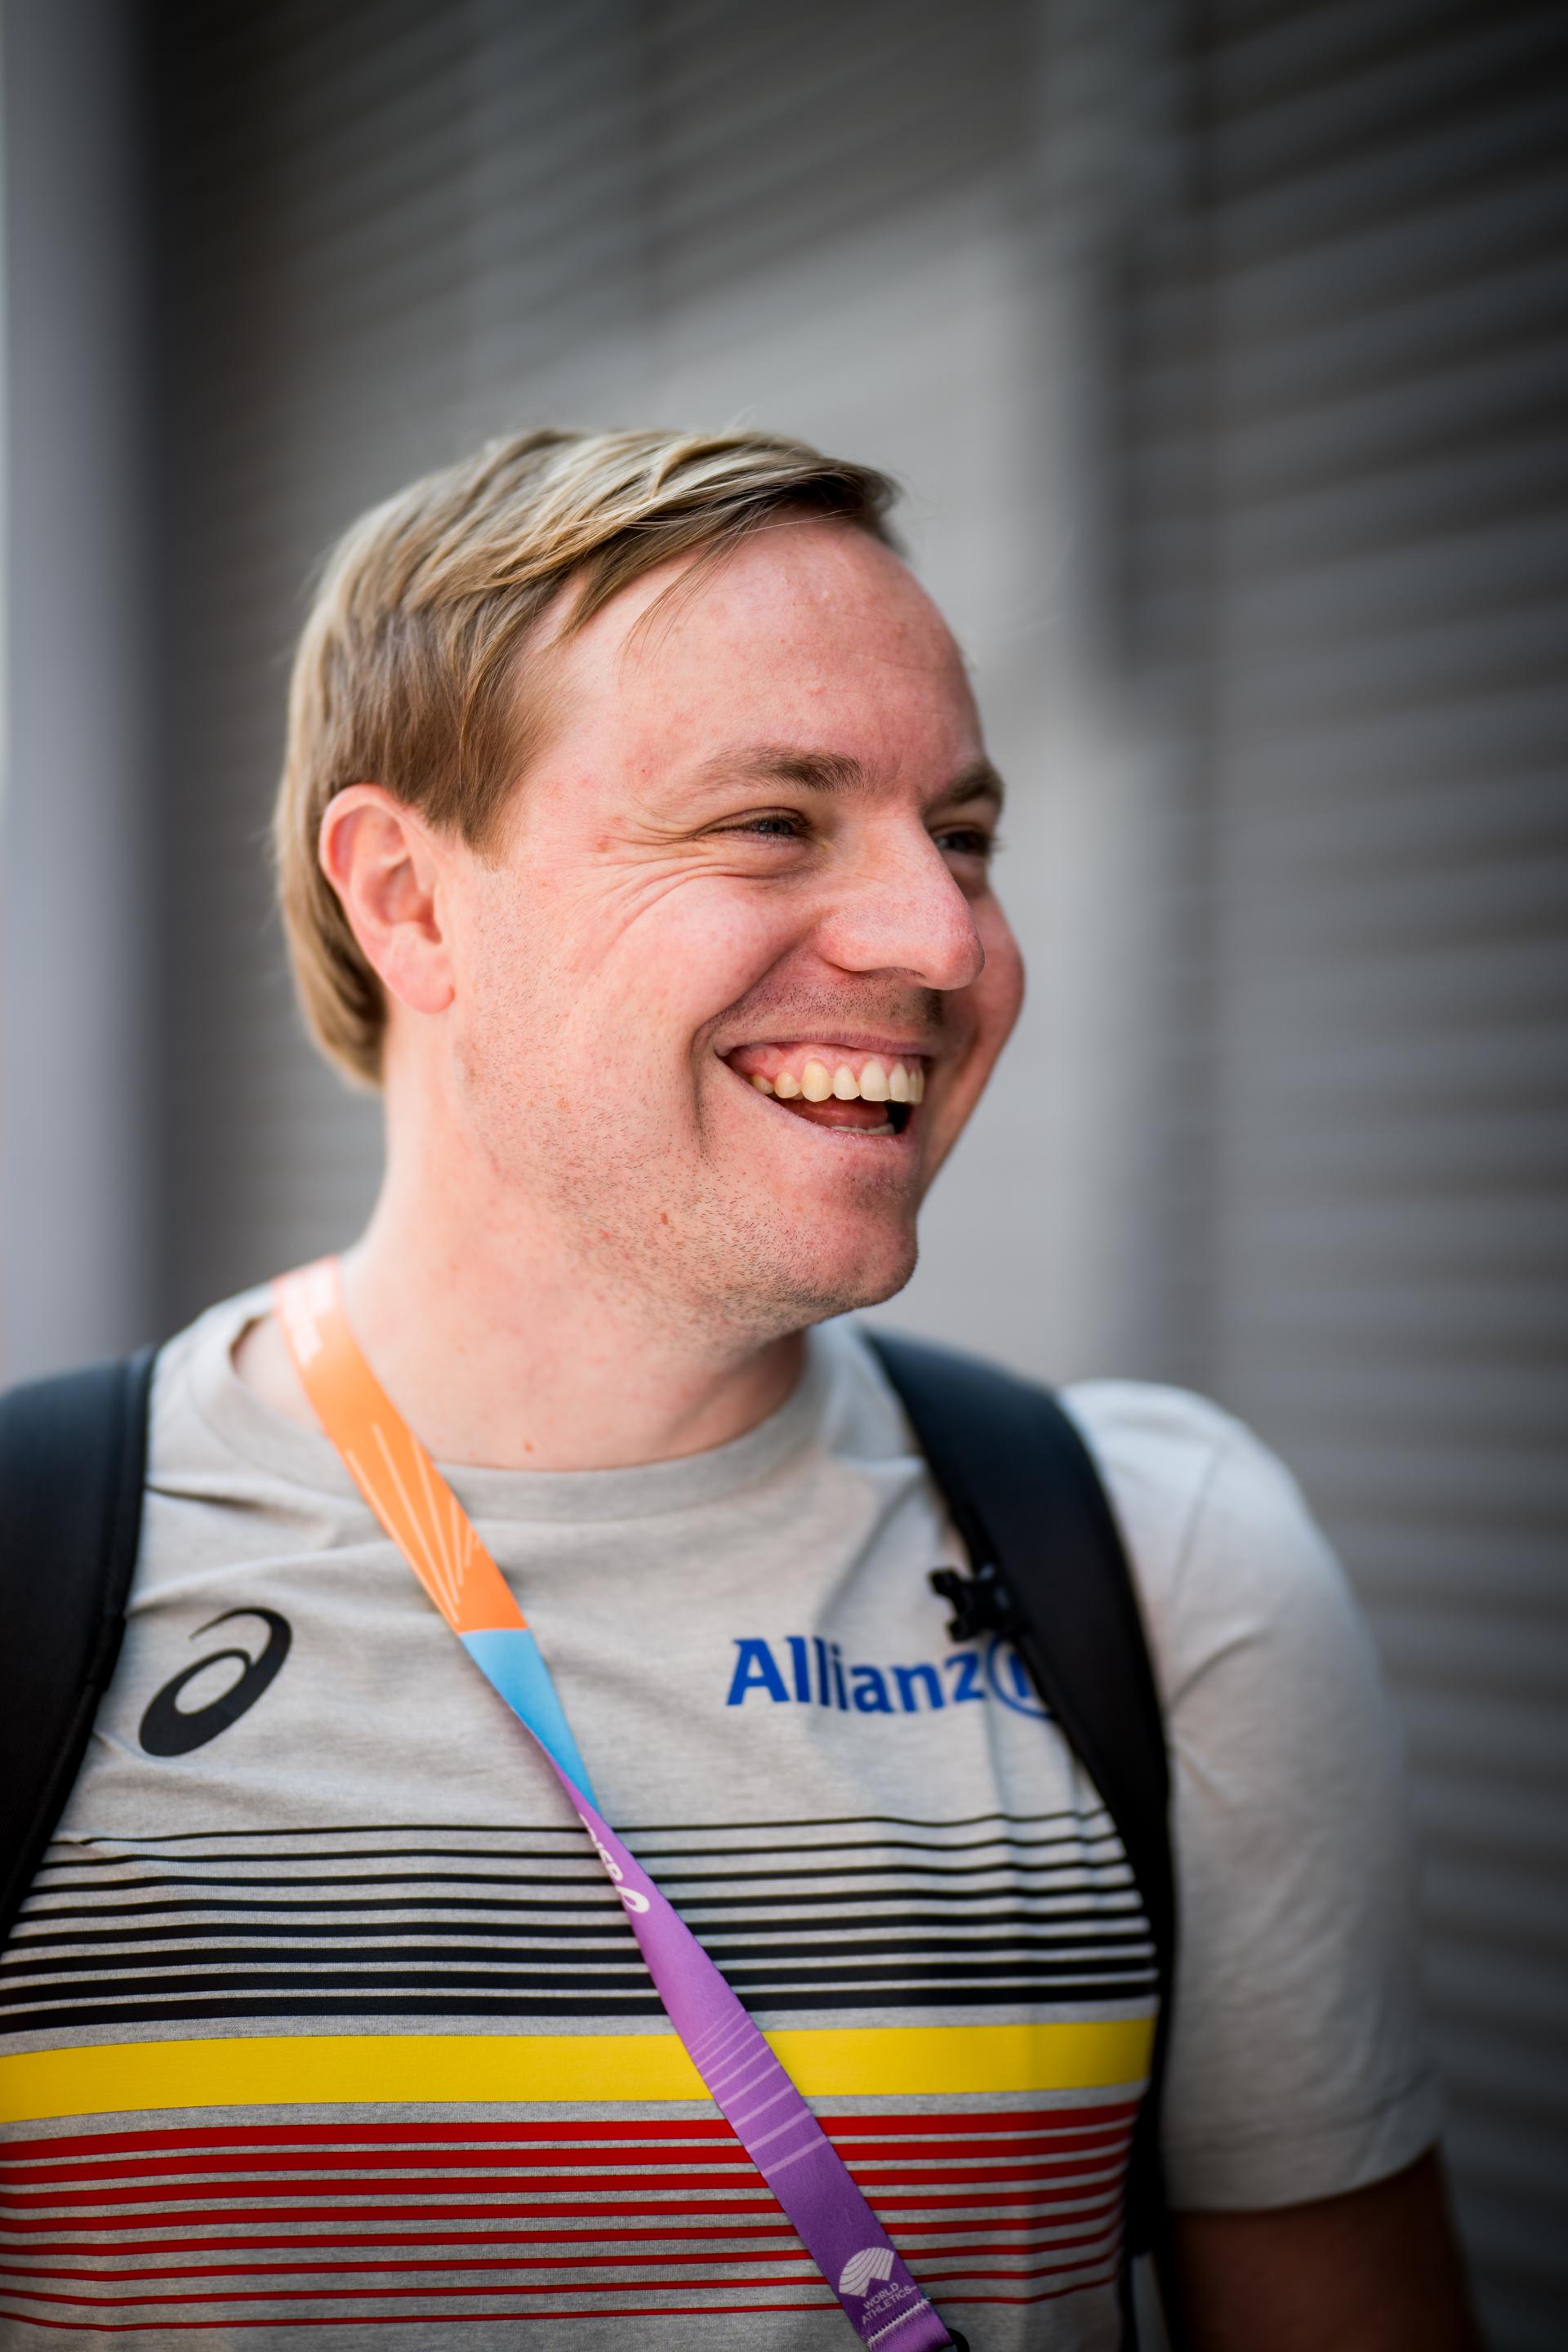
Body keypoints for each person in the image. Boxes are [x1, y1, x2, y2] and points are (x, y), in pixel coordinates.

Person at [0, 428, 1477, 2350]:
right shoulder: (38, 1576)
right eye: (772, 824)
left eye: (963, 837)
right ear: (410, 901)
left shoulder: (1166, 1564)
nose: (945, 941)